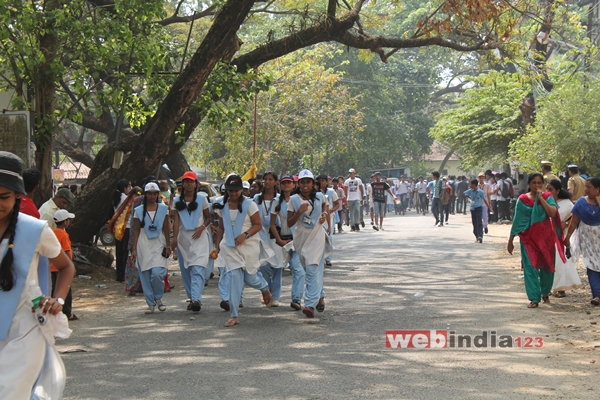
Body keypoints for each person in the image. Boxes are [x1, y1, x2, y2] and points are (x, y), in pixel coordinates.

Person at [0, 151, 76, 399]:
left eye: (4, 197)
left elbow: (66, 267)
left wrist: (59, 300)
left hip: (26, 328)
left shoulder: (34, 230)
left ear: (18, 196)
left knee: (12, 392)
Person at [213, 174, 274, 327]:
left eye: (236, 190)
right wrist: (217, 246)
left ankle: (264, 288)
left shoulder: (249, 204)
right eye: (230, 190)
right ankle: (234, 315)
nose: (233, 194)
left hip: (248, 246)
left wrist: (244, 236)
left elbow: (258, 225)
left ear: (241, 190)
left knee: (250, 278)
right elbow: (221, 227)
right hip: (230, 247)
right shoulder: (222, 205)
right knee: (234, 278)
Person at [507, 173, 565, 308]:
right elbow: (517, 221)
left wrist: (541, 199)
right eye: (534, 183)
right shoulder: (522, 200)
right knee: (530, 268)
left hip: (546, 239)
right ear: (529, 184)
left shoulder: (548, 197)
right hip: (528, 239)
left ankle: (545, 292)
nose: (537, 185)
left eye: (539, 183)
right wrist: (510, 241)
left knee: (547, 267)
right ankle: (534, 298)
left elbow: (552, 213)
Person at [288, 169, 332, 318]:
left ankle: (309, 304)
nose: (305, 185)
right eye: (302, 182)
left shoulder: (320, 196)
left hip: (317, 235)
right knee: (311, 269)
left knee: (313, 268)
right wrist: (299, 212)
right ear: (298, 183)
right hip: (302, 237)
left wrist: (324, 215)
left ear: (313, 184)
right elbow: (289, 222)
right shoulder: (293, 199)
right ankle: (320, 295)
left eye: (308, 182)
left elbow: (326, 206)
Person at [171, 171, 211, 312]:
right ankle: (192, 297)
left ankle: (196, 299)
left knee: (198, 268)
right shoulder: (177, 201)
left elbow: (208, 217)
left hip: (199, 238)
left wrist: (202, 227)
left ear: (196, 183)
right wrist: (174, 238)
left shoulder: (202, 199)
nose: (189, 184)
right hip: (184, 240)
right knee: (186, 270)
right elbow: (176, 221)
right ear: (183, 183)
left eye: (191, 181)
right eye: (186, 181)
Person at [131, 182, 172, 314]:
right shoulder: (138, 211)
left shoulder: (163, 209)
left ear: (157, 194)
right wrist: (134, 249)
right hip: (144, 244)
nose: (152, 196)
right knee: (145, 275)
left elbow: (166, 227)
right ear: (145, 195)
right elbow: (136, 230)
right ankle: (150, 303)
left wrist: (168, 245)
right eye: (149, 193)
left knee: (157, 274)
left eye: (154, 193)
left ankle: (158, 297)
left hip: (159, 243)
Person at [271, 174, 305, 310]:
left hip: (297, 238)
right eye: (283, 182)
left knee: (298, 270)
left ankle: (296, 299)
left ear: (294, 184)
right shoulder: (276, 202)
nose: (286, 185)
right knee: (274, 268)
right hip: (283, 240)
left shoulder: (299, 200)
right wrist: (278, 239)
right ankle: (271, 295)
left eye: (289, 182)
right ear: (280, 185)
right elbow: (272, 223)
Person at [564, 177, 600, 305]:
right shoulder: (581, 203)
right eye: (586, 186)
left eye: (589, 187)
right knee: (591, 265)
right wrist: (567, 237)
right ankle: (597, 295)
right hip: (588, 241)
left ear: (597, 189)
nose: (586, 190)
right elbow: (574, 222)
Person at [545, 180, 581, 297]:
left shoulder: (566, 203)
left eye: (550, 189)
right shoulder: (545, 202)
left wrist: (564, 225)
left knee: (560, 260)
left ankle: (561, 288)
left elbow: (574, 218)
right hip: (547, 235)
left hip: (560, 235)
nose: (548, 192)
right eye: (547, 189)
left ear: (558, 191)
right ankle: (549, 287)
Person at [254, 172, 284, 306]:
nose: (267, 182)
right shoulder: (256, 199)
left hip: (276, 237)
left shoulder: (280, 199)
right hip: (261, 237)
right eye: (265, 179)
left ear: (276, 182)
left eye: (271, 179)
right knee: (263, 266)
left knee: (278, 266)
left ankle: (275, 296)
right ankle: (266, 291)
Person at [50, 209, 77, 321]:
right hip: (62, 268)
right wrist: (70, 264)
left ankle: (54, 308)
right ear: (65, 222)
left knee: (54, 289)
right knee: (66, 289)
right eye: (68, 220)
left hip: (52, 267)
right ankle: (67, 312)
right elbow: (66, 251)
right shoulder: (64, 235)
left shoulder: (53, 233)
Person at [111, 179, 131, 282]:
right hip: (125, 227)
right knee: (124, 252)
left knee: (119, 251)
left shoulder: (116, 197)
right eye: (129, 186)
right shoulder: (125, 198)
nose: (130, 188)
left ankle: (119, 275)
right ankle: (123, 275)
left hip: (117, 227)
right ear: (124, 188)